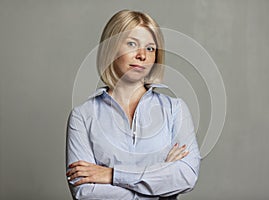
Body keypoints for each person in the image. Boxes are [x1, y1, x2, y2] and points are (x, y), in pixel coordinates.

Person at [66, 9, 201, 200]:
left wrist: (111, 175)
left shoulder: (175, 109)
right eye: (132, 44)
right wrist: (161, 175)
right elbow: (85, 193)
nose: (142, 55)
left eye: (150, 48)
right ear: (111, 48)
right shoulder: (82, 115)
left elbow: (186, 176)